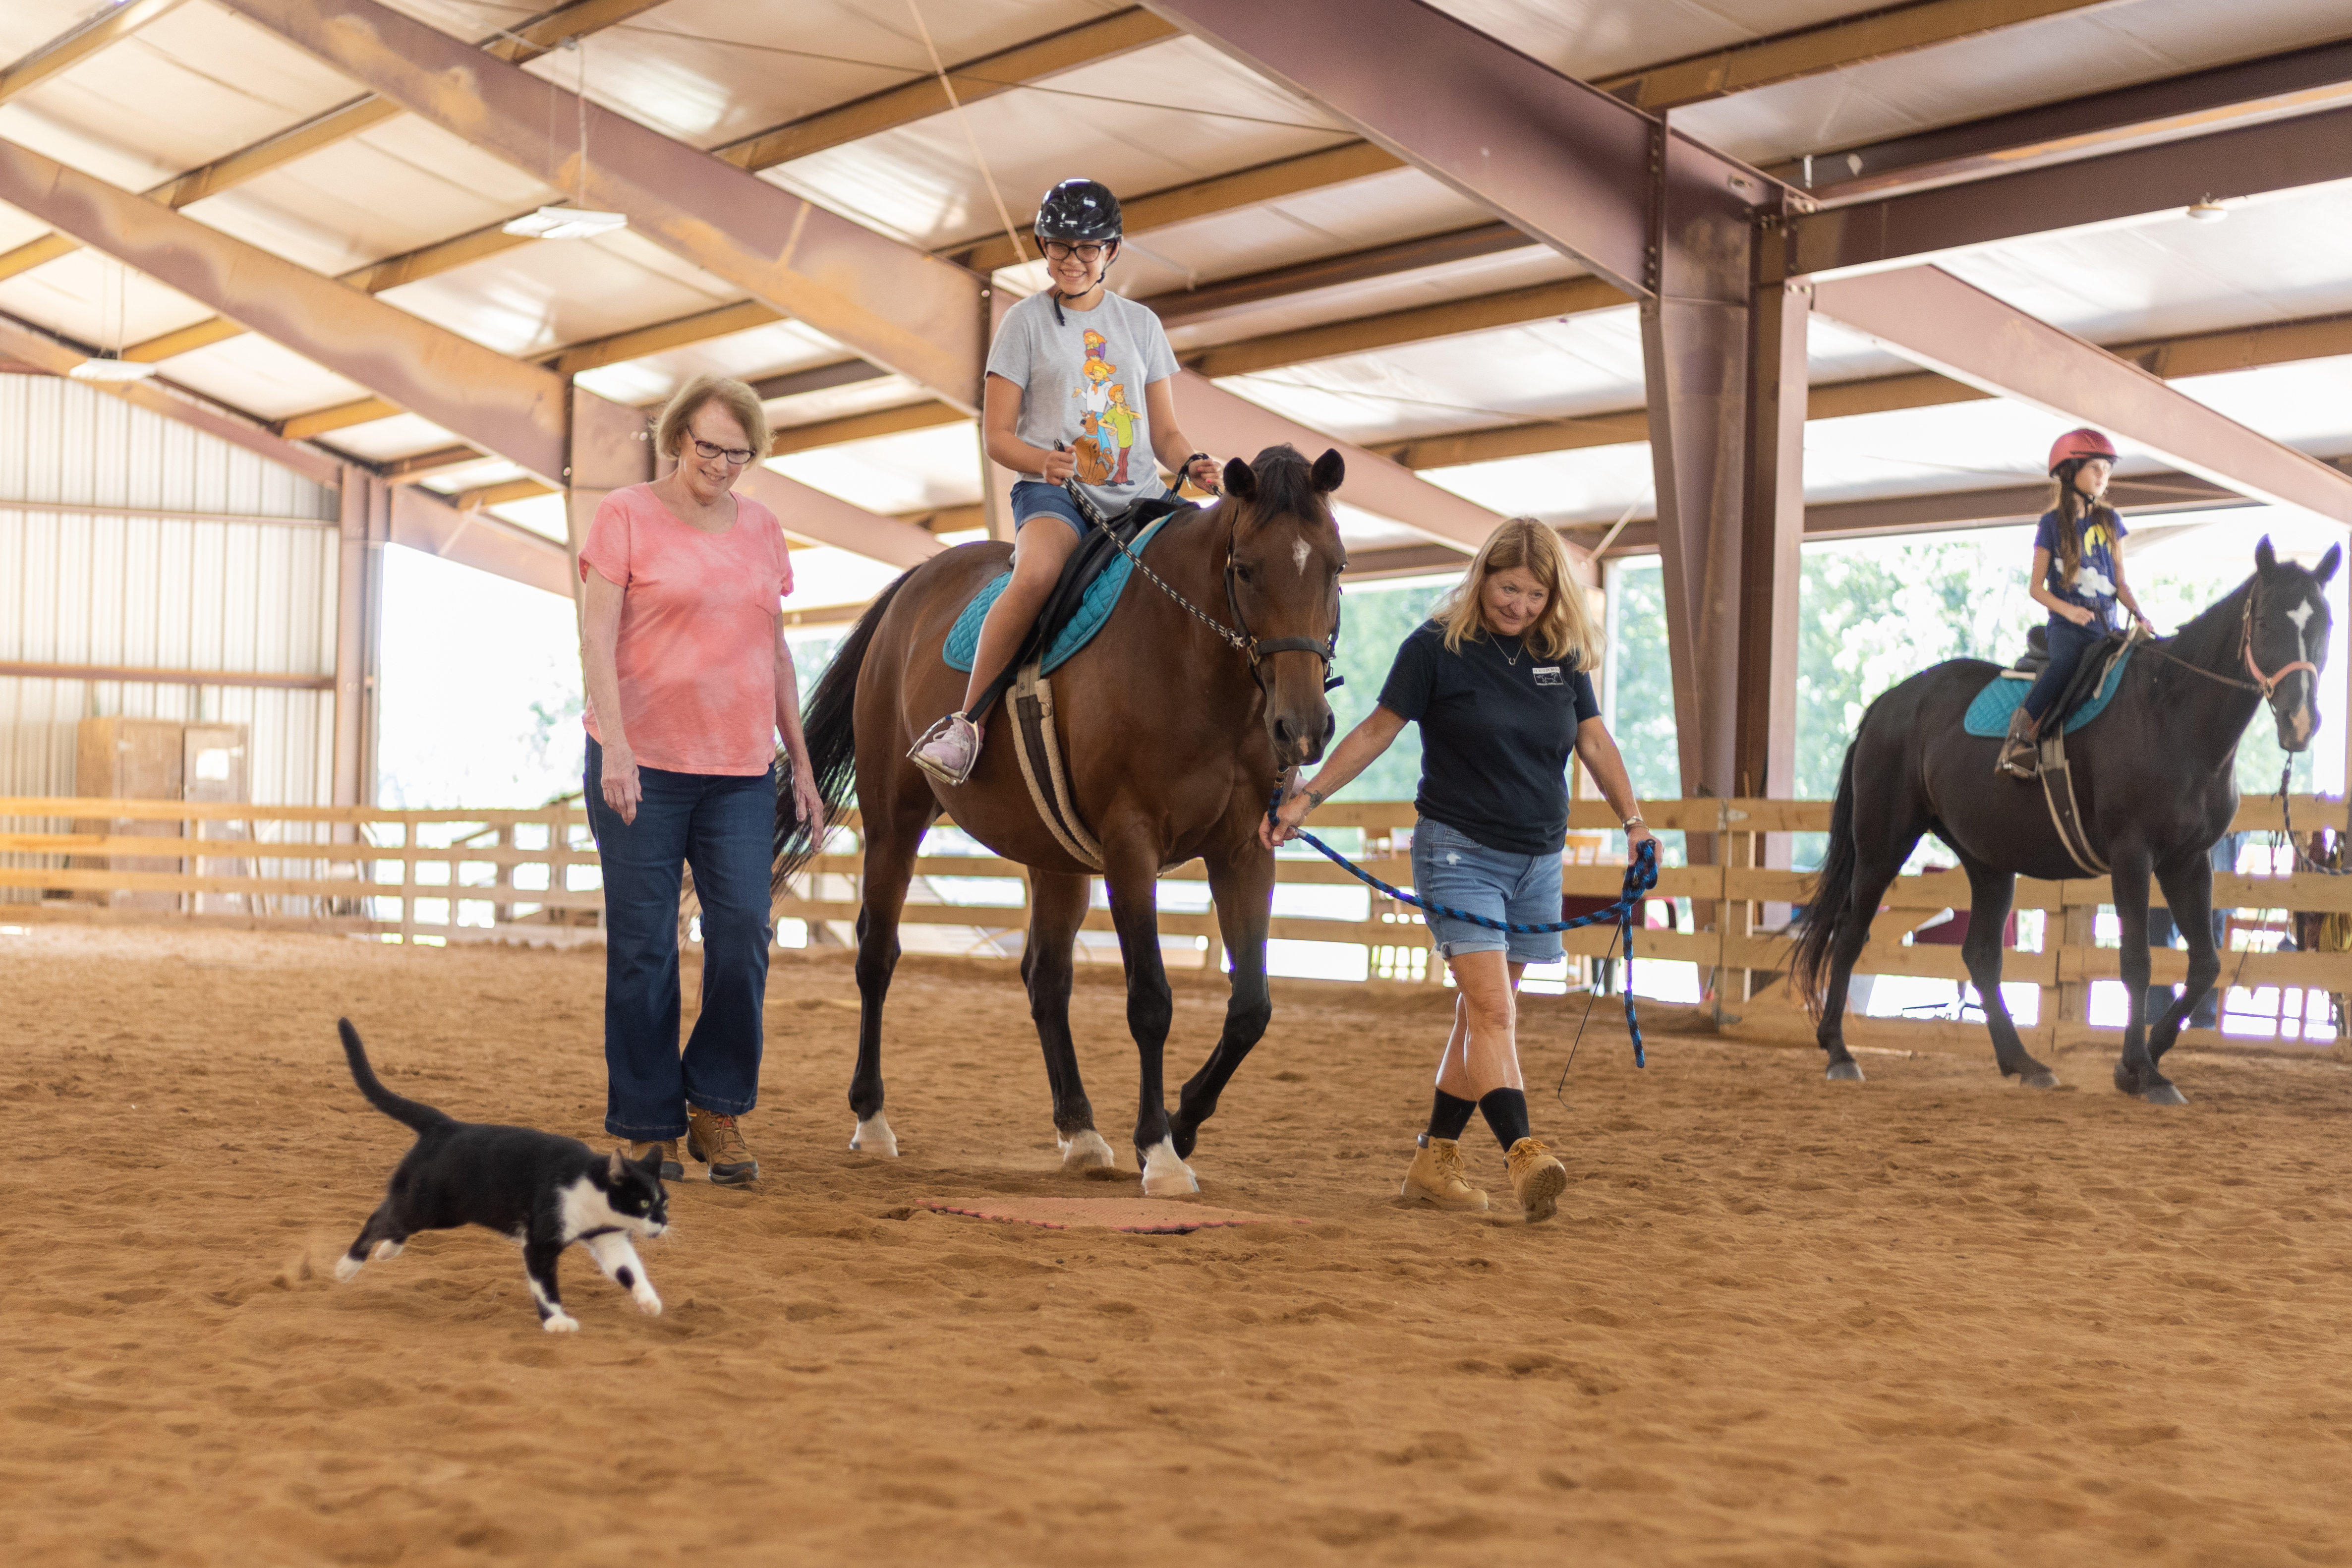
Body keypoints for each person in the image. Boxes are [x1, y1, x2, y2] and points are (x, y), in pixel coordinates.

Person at [1262, 518, 1656, 1223]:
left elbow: (1592, 737)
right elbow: (1380, 728)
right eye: (1509, 588)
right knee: (1495, 1011)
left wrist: (1634, 822)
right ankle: (1524, 1152)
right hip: (1457, 851)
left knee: (1480, 1013)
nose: (1521, 605)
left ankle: (1432, 1158)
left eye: (1536, 593)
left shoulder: (1559, 652)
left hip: (1537, 857)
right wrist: (1307, 798)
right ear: (1482, 577)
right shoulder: (1433, 649)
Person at [578, 374, 825, 1187]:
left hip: (739, 771)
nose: (722, 462)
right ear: (679, 434)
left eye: (739, 451)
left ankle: (717, 1106)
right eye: (709, 444)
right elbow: (596, 637)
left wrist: (803, 761)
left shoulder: (762, 528)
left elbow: (776, 651)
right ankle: (649, 1121)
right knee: (646, 948)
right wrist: (615, 746)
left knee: (745, 937)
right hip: (640, 765)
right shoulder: (625, 515)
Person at [908, 177, 1223, 784]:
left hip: (1138, 498)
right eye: (1058, 247)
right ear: (1043, 247)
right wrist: (1039, 461)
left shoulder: (1141, 324)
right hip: (1055, 494)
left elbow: (1165, 435)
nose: (1071, 261)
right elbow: (996, 436)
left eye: (1087, 249)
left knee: (1211, 562)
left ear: (1111, 251)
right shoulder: (1023, 323)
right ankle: (966, 723)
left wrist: (1191, 464)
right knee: (1038, 574)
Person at [1998, 427, 2149, 777]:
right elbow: (2036, 588)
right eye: (2095, 468)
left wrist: (2140, 615)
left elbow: (2120, 583)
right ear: (2070, 472)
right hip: (2067, 627)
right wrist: (2068, 611)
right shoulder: (2050, 525)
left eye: (2107, 469)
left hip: (2107, 627)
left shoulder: (2110, 522)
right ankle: (2019, 738)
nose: (2103, 477)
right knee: (2064, 664)